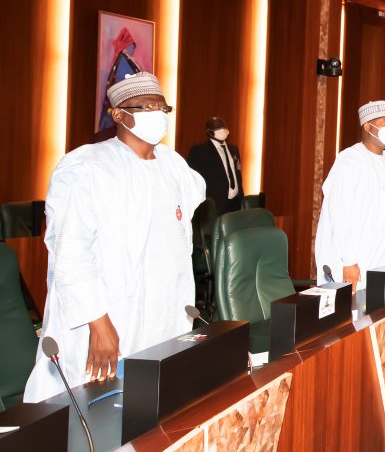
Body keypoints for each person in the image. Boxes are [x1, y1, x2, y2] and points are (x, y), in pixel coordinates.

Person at [24, 73, 206, 402]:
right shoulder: (86, 166)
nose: (156, 113)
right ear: (119, 114)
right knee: (96, 408)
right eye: (145, 107)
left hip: (164, 314)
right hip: (109, 316)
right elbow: (70, 252)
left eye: (161, 107)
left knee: (152, 405)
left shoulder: (174, 165)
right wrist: (97, 322)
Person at [315, 101, 385, 288]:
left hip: (384, 257)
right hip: (354, 261)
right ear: (367, 127)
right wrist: (349, 261)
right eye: (384, 122)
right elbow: (339, 212)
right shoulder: (350, 160)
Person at [186, 117, 244, 215]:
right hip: (214, 204)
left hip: (235, 203)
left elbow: (238, 174)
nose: (222, 129)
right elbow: (193, 179)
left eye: (223, 126)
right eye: (218, 127)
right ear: (210, 132)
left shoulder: (233, 149)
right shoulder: (199, 151)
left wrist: (242, 198)